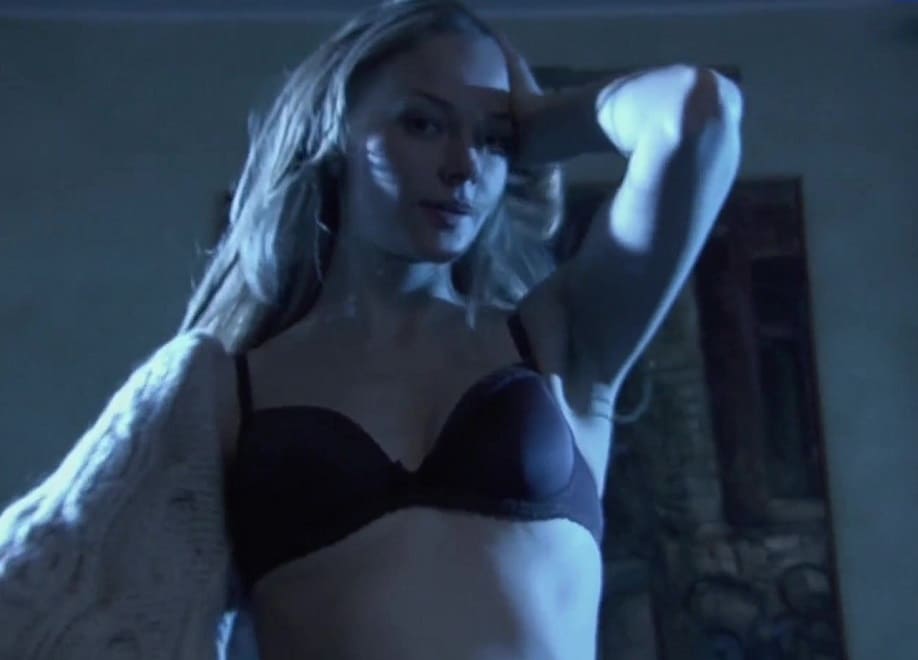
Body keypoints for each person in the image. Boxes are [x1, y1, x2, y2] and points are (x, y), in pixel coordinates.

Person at [0, 0, 743, 658]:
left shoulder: (557, 342)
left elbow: (700, 113)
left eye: (492, 138)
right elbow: (38, 592)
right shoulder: (226, 392)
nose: (463, 166)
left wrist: (548, 121)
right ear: (334, 133)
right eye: (424, 123)